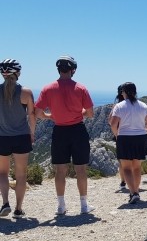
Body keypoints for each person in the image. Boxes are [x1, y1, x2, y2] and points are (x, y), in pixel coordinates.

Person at [35, 56, 95, 215]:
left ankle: (61, 206)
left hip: (59, 132)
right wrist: (79, 112)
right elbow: (90, 113)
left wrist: (51, 116)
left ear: (58, 69)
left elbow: (39, 113)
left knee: (60, 170)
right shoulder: (81, 88)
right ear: (73, 70)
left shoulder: (47, 89)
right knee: (81, 169)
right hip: (78, 131)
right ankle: (84, 205)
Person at [0, 59, 36, 219]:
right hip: (21, 137)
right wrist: (32, 133)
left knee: (2, 173)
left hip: (2, 137)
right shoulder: (26, 92)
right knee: (21, 175)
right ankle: (18, 209)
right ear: (17, 73)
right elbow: (32, 116)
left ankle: (5, 203)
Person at [110, 82, 147, 204]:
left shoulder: (120, 106)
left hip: (124, 138)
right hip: (140, 137)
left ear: (124, 92)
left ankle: (133, 193)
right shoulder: (143, 105)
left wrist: (117, 135)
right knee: (137, 167)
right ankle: (136, 191)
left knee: (127, 168)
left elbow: (113, 124)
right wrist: (145, 131)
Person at [109, 85, 127, 191]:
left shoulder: (117, 106)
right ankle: (134, 181)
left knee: (121, 161)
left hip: (120, 134)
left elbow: (110, 121)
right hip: (134, 134)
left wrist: (116, 134)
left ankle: (123, 181)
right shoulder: (135, 105)